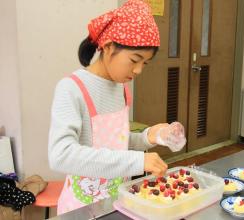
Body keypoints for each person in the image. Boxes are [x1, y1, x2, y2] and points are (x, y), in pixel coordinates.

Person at [48, 0, 181, 214]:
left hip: (117, 203)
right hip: (83, 208)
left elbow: (114, 143)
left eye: (144, 63)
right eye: (134, 59)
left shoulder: (122, 88)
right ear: (109, 47)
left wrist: (148, 137)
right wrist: (138, 161)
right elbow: (60, 155)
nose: (138, 70)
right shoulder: (72, 89)